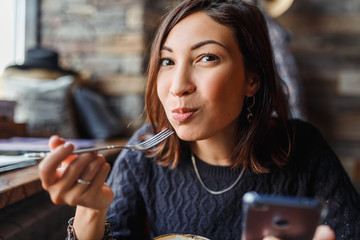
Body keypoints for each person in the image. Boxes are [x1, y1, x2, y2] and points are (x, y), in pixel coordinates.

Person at [38, 0, 360, 239]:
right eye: (167, 61)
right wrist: (92, 209)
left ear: (252, 79)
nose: (178, 86)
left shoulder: (303, 148)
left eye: (207, 58)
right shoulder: (145, 154)